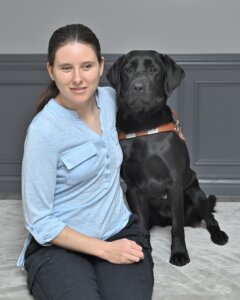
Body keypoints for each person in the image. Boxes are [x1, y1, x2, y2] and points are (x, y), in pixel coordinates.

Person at [17, 23, 154, 300]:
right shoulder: (43, 132)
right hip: (58, 246)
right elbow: (40, 221)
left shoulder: (111, 99)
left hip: (118, 230)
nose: (78, 78)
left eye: (87, 66)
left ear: (101, 66)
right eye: (66, 68)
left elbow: (151, 112)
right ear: (51, 71)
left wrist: (172, 125)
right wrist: (105, 250)